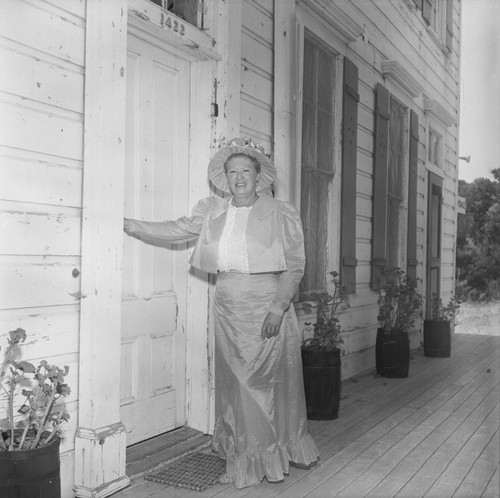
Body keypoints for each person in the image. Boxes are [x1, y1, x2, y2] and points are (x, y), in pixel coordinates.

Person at [123, 137, 319, 489]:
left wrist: (278, 307)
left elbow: (295, 265)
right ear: (225, 178)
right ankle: (240, 451)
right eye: (233, 172)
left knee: (261, 385)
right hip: (228, 305)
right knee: (233, 385)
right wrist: (130, 225)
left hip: (267, 304)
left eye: (246, 170)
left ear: (259, 176)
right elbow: (177, 228)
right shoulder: (212, 210)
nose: (239, 177)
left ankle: (264, 455)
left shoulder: (281, 211)